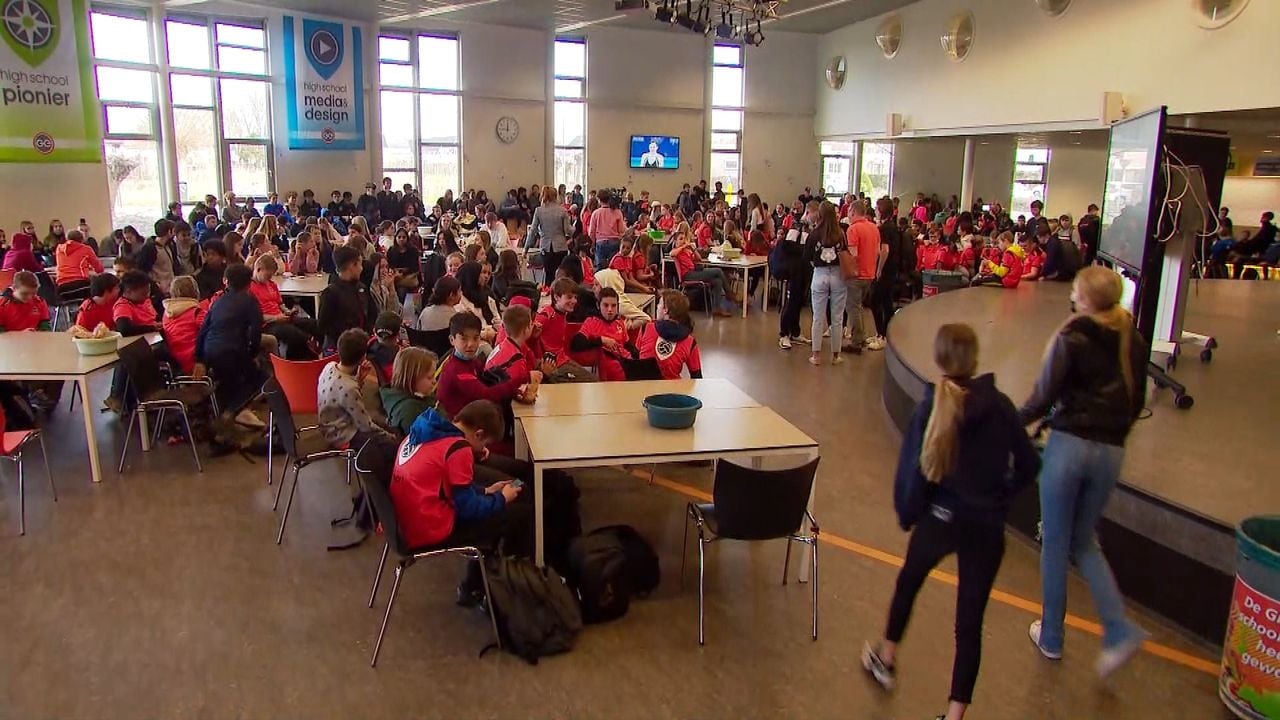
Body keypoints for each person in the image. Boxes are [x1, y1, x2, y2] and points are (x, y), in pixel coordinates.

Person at [862, 323, 1039, 720]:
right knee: (969, 623)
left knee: (909, 582)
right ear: (974, 359)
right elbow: (1030, 463)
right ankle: (955, 714)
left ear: (938, 358)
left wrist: (910, 515)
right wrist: (1001, 494)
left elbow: (916, 472)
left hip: (941, 517)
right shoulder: (1001, 407)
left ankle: (886, 656)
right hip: (986, 525)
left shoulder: (932, 407)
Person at [1019, 266, 1149, 677]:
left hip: (1069, 445)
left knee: (1056, 541)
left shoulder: (1071, 336)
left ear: (1086, 298)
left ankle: (1052, 635)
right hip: (1110, 450)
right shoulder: (1134, 337)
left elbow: (1044, 395)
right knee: (1084, 540)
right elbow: (1137, 399)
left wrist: (1011, 420)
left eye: (1076, 290)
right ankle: (1117, 627)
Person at [389, 399, 530, 605]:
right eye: (485, 443)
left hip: (404, 521)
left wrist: (486, 491)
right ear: (479, 433)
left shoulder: (423, 430)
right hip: (429, 527)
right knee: (520, 514)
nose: (483, 450)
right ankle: (503, 588)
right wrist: (501, 498)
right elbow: (468, 509)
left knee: (498, 508)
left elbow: (446, 485)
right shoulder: (459, 449)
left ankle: (479, 583)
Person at [194, 264, 265, 424]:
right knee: (261, 377)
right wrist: (253, 354)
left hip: (210, 350)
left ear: (226, 282)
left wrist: (200, 359)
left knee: (229, 380)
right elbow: (256, 333)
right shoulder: (250, 301)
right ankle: (234, 410)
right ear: (249, 283)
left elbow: (203, 330)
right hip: (233, 350)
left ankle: (232, 411)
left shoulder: (218, 302)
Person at [318, 328, 396, 453]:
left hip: (329, 427)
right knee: (390, 445)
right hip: (342, 435)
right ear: (362, 358)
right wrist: (391, 438)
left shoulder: (329, 367)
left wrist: (359, 380)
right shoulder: (349, 388)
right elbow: (365, 426)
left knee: (382, 423)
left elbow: (343, 397)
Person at [436, 312, 528, 418]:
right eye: (464, 338)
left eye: (475, 338)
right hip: (455, 425)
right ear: (452, 340)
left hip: (468, 416)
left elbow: (486, 380)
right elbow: (486, 395)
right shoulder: (456, 370)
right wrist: (521, 379)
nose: (470, 344)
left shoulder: (470, 361)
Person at [805, 201, 849, 366]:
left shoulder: (814, 234)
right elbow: (846, 254)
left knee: (818, 317)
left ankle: (816, 355)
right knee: (837, 318)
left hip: (820, 274)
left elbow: (807, 257)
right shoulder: (841, 234)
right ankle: (836, 355)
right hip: (838, 274)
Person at [251, 255, 319, 360]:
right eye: (267, 276)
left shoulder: (271, 284)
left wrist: (288, 311)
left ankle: (318, 354)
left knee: (313, 324)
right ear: (258, 270)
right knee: (296, 335)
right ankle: (297, 363)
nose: (269, 279)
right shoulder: (250, 289)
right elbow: (256, 316)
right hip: (267, 323)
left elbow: (280, 303)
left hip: (280, 317)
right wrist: (276, 318)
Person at [318, 246, 378, 353]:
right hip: (341, 348)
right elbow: (323, 325)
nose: (362, 268)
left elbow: (372, 313)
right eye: (360, 264)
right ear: (352, 266)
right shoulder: (331, 293)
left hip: (363, 341)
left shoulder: (362, 288)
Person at [670, 223, 736, 317]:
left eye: (684, 238)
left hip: (695, 271)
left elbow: (699, 259)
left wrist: (693, 250)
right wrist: (683, 247)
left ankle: (716, 307)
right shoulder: (676, 251)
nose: (683, 241)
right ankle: (729, 294)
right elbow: (672, 254)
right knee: (718, 271)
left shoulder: (686, 251)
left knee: (717, 281)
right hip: (688, 275)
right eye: (680, 239)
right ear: (675, 241)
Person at [638, 290, 702, 380]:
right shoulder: (690, 341)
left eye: (659, 303)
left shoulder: (646, 328)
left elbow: (635, 361)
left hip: (643, 387)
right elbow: (697, 375)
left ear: (665, 310)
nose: (657, 306)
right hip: (673, 390)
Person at [844, 200, 880, 355]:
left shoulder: (853, 229)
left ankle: (856, 341)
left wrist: (847, 270)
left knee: (853, 308)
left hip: (857, 274)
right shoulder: (874, 228)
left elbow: (853, 254)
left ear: (853, 211)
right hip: (870, 273)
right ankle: (861, 336)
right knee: (859, 308)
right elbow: (877, 251)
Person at [572, 287, 630, 381]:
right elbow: (576, 344)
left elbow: (627, 345)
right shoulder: (592, 322)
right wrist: (601, 340)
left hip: (627, 362)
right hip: (608, 366)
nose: (610, 310)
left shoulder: (619, 322)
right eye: (606, 305)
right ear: (598, 306)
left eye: (613, 305)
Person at [485, 305, 541, 400]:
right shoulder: (516, 359)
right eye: (531, 323)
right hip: (498, 401)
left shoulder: (502, 345)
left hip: (490, 389)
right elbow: (516, 392)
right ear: (526, 328)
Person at [379, 346, 438, 436]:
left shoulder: (418, 397)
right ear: (412, 378)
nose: (434, 381)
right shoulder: (410, 411)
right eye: (429, 377)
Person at [777, 201, 813, 350]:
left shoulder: (811, 228)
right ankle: (784, 333)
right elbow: (788, 246)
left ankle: (795, 331)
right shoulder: (796, 227)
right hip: (795, 270)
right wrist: (804, 249)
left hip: (806, 270)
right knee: (791, 302)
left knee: (799, 302)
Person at [525, 185, 573, 287]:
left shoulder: (539, 211)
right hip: (560, 247)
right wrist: (574, 229)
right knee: (561, 276)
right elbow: (568, 231)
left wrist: (526, 248)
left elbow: (532, 231)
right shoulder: (562, 211)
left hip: (546, 248)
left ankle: (548, 295)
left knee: (548, 275)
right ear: (556, 196)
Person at [161, 276, 205, 375]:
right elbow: (210, 333)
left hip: (175, 364)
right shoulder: (197, 313)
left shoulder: (167, 313)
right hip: (195, 363)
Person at [54, 228, 102, 298]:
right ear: (82, 239)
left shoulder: (59, 249)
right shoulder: (86, 249)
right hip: (80, 285)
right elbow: (99, 268)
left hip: (61, 287)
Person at [136, 219, 179, 296]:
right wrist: (154, 285)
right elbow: (142, 269)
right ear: (169, 232)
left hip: (171, 286)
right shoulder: (150, 249)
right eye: (173, 231)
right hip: (158, 289)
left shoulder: (170, 245)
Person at [112, 270, 161, 337]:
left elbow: (155, 316)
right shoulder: (123, 306)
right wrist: (151, 328)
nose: (147, 296)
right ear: (128, 291)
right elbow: (124, 329)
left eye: (148, 292)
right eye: (143, 293)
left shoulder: (144, 300)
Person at [588, 190, 627, 269]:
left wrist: (591, 245)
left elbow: (591, 231)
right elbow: (622, 230)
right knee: (613, 267)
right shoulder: (617, 212)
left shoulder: (596, 213)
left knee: (600, 267)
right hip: (614, 242)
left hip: (600, 242)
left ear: (599, 200)